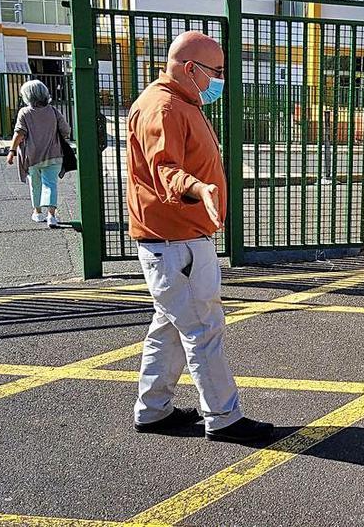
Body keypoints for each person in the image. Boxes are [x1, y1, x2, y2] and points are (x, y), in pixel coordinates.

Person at [126, 31, 273, 442]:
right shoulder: (165, 107)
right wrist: (199, 188)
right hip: (177, 243)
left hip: (176, 241)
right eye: (218, 72)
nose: (221, 80)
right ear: (191, 69)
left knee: (170, 326)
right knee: (203, 330)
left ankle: (152, 409)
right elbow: (164, 168)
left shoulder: (180, 101)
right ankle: (224, 418)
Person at [5, 79, 71, 228]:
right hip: (54, 155)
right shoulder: (53, 111)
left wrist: (12, 151)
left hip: (33, 156)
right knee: (50, 185)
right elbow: (66, 131)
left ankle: (38, 212)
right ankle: (52, 216)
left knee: (35, 185)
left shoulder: (25, 112)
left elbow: (19, 134)